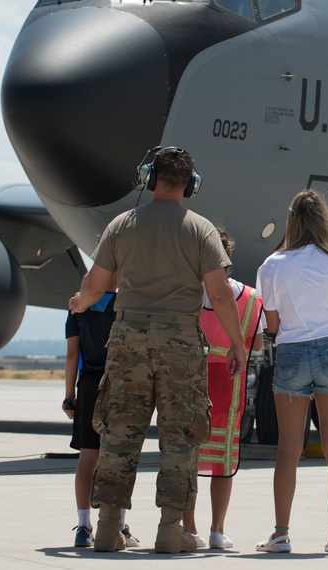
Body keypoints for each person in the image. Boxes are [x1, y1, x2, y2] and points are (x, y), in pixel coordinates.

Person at [68, 146, 247, 554]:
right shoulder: (200, 229)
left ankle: (109, 528)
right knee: (181, 437)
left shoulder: (121, 224)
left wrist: (80, 303)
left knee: (118, 433)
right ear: (191, 185)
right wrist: (236, 343)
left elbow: (95, 286)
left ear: (149, 179)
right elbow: (219, 294)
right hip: (179, 342)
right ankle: (170, 530)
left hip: (127, 336)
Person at [254, 189, 328, 554]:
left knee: (288, 449)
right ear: (324, 221)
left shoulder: (272, 265)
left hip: (291, 353)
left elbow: (271, 323)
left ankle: (282, 534)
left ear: (291, 222)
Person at [183, 228, 264, 550]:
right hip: (229, 381)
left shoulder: (185, 292)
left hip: (189, 377)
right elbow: (256, 344)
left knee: (186, 453)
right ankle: (218, 529)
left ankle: (189, 527)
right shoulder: (250, 297)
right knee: (223, 459)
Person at [62, 292, 139, 549]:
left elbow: (72, 355)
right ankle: (118, 526)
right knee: (120, 458)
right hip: (121, 383)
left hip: (89, 385)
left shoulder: (77, 307)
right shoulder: (127, 303)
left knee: (88, 456)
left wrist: (69, 395)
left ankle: (83, 527)